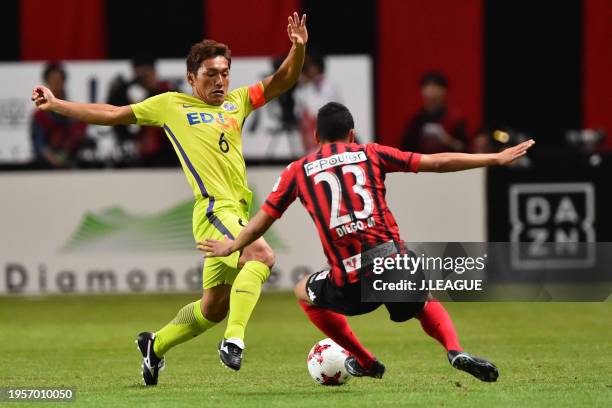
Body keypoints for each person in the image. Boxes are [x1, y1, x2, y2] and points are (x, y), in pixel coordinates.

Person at [31, 12, 308, 384]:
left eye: (225, 73)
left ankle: (154, 345)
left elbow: (283, 80)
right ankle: (235, 340)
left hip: (235, 210)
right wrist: (58, 104)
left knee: (212, 309)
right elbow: (113, 113)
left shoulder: (237, 103)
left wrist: (298, 49)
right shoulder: (171, 105)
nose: (220, 81)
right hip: (212, 208)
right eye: (211, 74)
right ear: (191, 78)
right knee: (261, 254)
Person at [201, 102, 535, 382]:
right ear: (351, 134)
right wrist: (494, 158)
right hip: (393, 263)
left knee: (304, 291)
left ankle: (364, 359)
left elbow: (262, 220)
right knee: (422, 299)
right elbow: (434, 162)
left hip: (348, 281)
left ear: (315, 136)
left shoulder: (298, 171)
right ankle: (454, 349)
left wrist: (232, 246)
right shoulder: (369, 153)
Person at [107, 55, 178, 167]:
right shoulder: (129, 95)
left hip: (168, 155)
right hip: (139, 156)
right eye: (139, 78)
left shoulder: (168, 93)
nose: (142, 82)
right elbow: (114, 115)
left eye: (145, 76)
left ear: (154, 72)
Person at [31, 62, 87, 168]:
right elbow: (38, 144)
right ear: (46, 84)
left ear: (64, 81)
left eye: (59, 80)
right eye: (53, 80)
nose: (56, 83)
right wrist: (53, 159)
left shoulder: (76, 112)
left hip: (73, 165)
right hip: (46, 167)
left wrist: (67, 153)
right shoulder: (40, 116)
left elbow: (81, 137)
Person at [401, 71, 468, 153]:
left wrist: (447, 140)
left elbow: (464, 148)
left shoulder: (456, 119)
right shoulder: (415, 121)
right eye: (428, 87)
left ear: (444, 91)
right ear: (422, 91)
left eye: (436, 87)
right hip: (423, 163)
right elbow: (406, 150)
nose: (432, 92)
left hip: (448, 163)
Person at [294, 48, 342, 153]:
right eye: (306, 67)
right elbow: (299, 115)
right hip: (312, 138)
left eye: (311, 66)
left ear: (318, 66)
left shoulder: (327, 85)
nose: (309, 70)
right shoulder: (301, 89)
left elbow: (318, 110)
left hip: (330, 135)